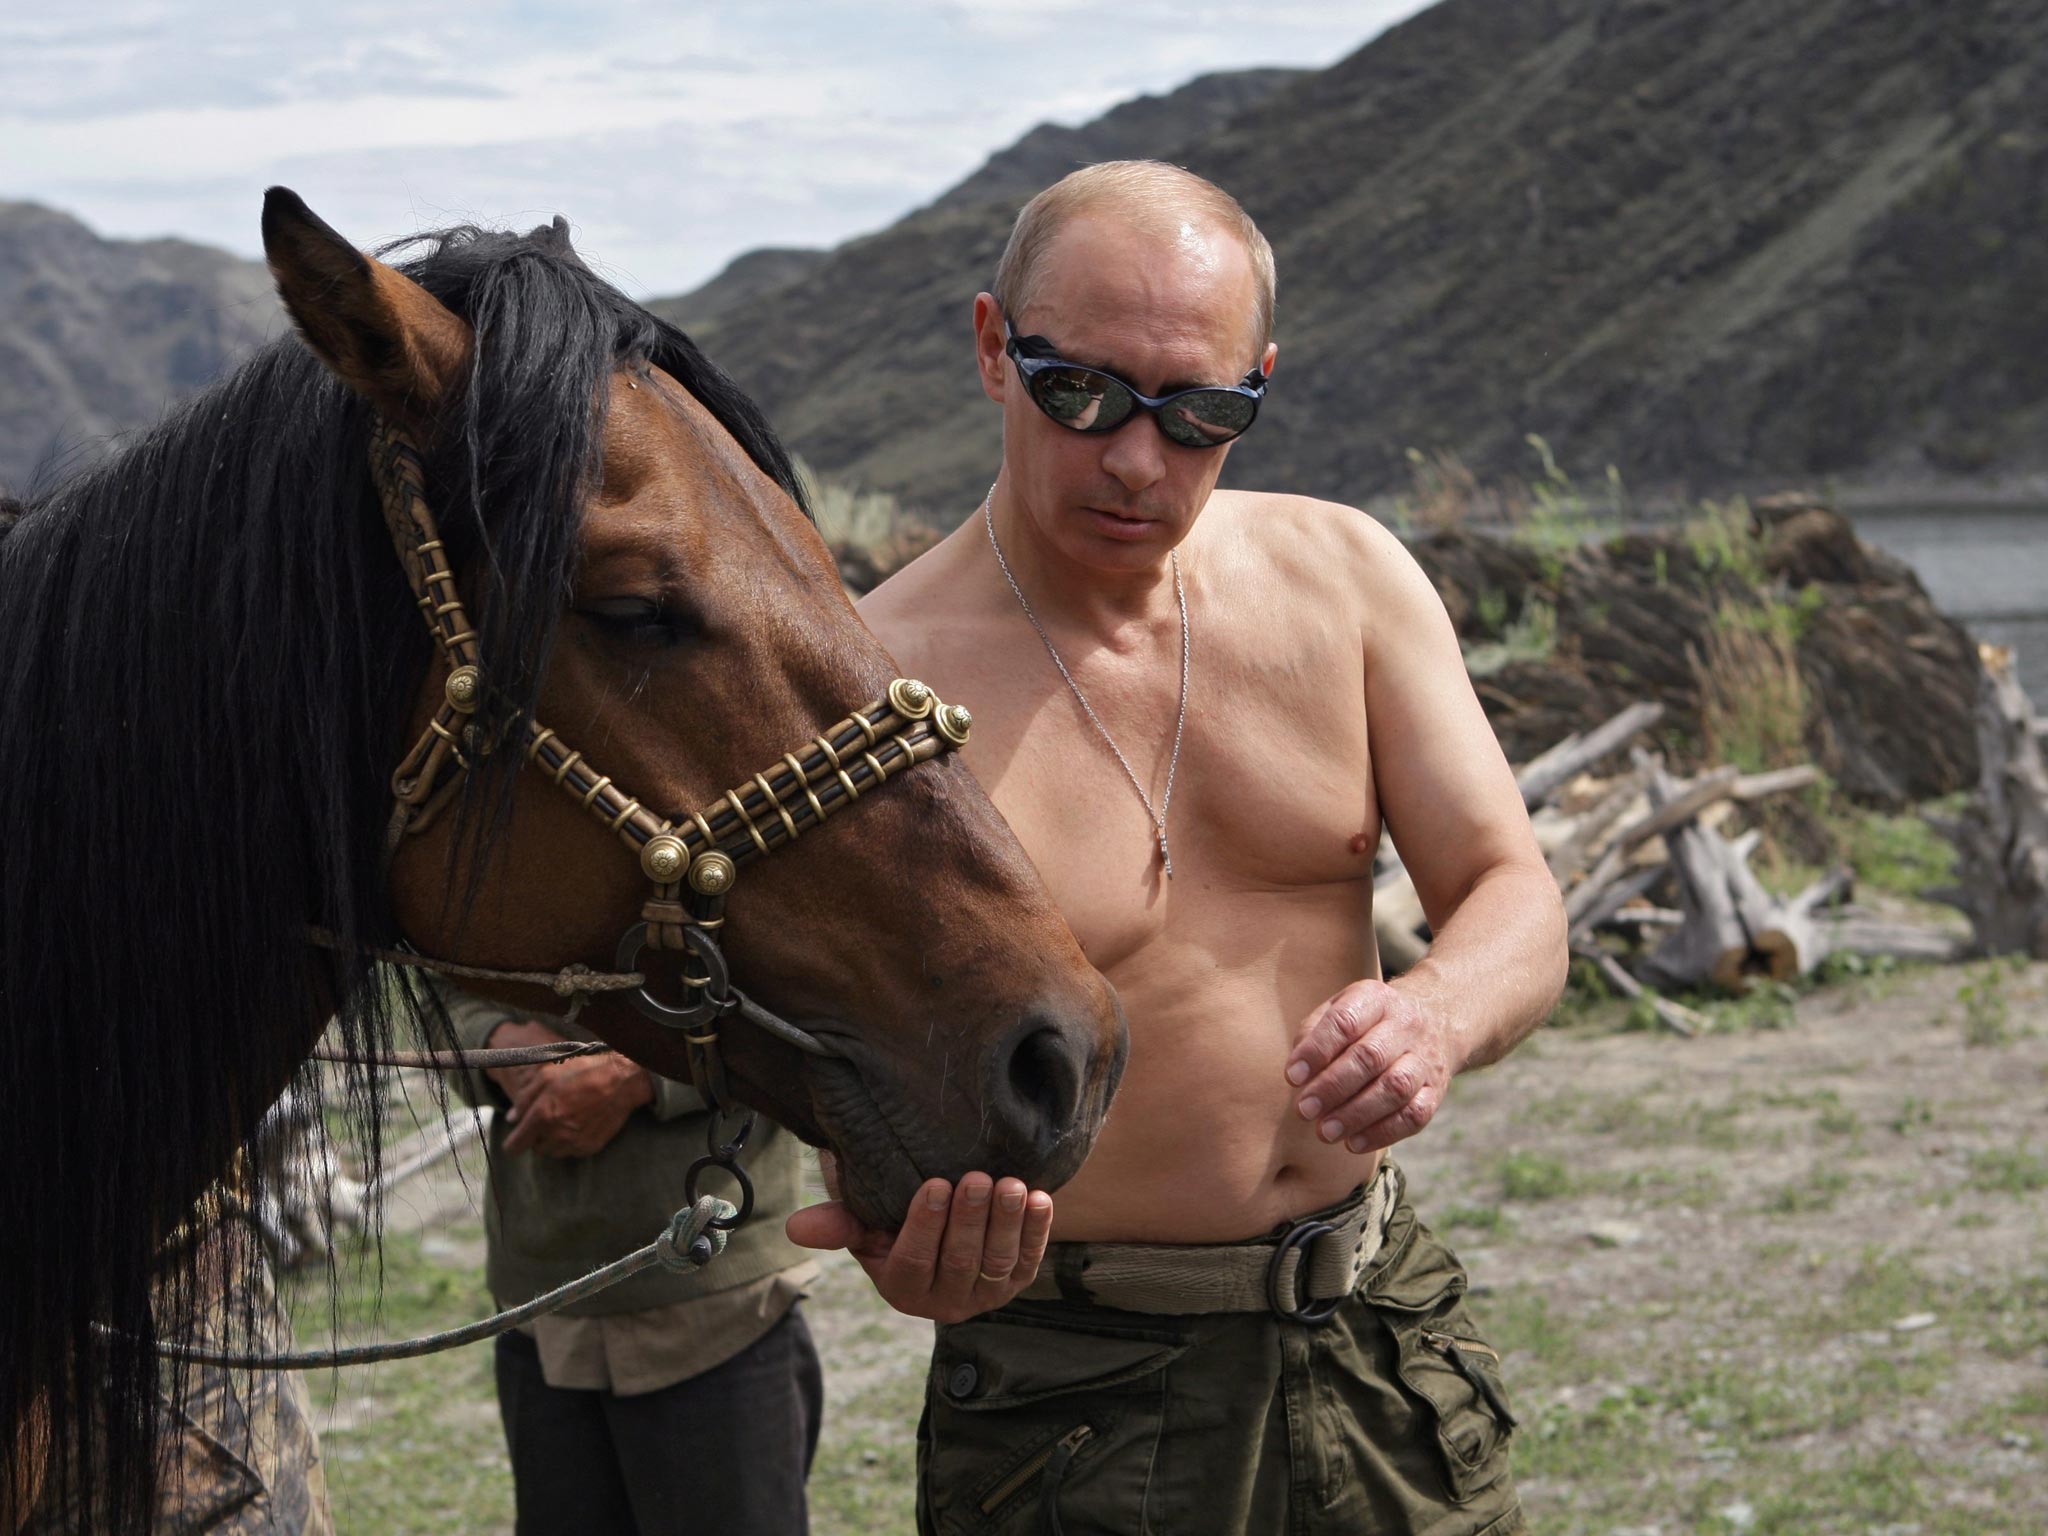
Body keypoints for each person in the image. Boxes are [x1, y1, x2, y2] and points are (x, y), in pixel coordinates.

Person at [787, 160, 1567, 1534]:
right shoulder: (876, 686)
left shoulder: (1349, 578)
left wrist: (1436, 1017)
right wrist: (908, 1251)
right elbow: (858, 1089)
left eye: (1202, 413)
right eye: (1079, 393)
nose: (1138, 460)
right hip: (1076, 1392)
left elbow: (1512, 892)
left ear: (1257, 384)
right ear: (990, 349)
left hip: (1377, 1334)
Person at [433, 979, 822, 1535]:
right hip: (542, 1310)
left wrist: (637, 1075)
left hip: (721, 1310)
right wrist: (501, 1044)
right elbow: (435, 986)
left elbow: (796, 1004)